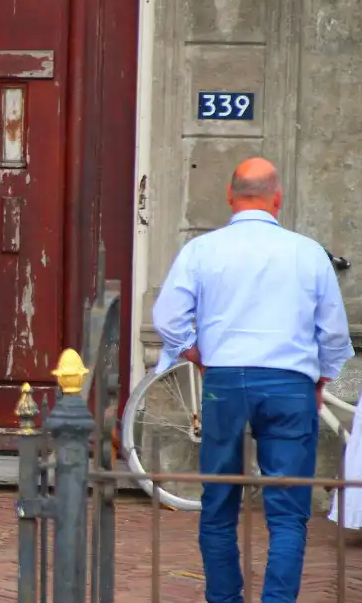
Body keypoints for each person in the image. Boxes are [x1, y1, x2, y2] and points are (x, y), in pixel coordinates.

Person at [152, 157, 353, 603]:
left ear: (230, 196)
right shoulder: (307, 252)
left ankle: (224, 598)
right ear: (277, 199)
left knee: (219, 501)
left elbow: (168, 316)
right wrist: (322, 375)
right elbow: (334, 332)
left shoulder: (202, 250)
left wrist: (193, 351)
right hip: (288, 382)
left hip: (225, 377)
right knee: (288, 512)